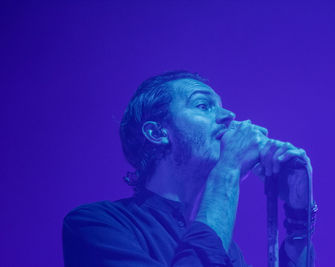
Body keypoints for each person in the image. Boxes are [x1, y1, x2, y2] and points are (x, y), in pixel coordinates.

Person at [62, 71, 316, 266]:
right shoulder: (96, 224)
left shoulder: (226, 245)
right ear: (157, 132)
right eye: (203, 105)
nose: (229, 115)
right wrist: (228, 169)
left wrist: (297, 219)